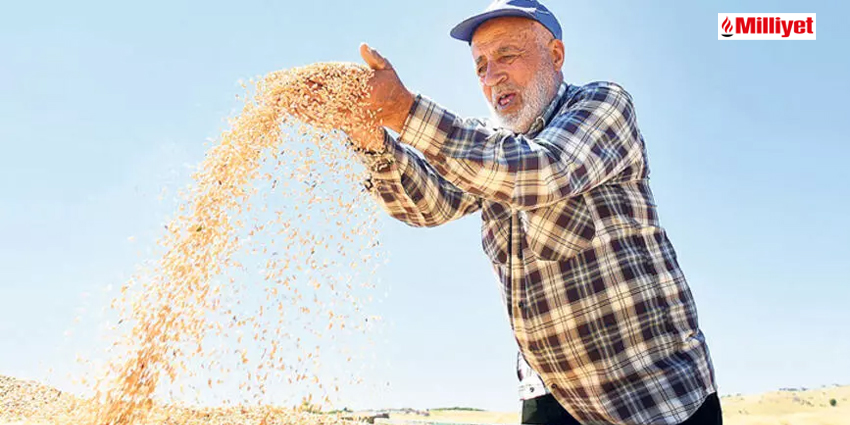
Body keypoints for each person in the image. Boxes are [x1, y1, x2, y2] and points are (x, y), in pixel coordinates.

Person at [292, 1, 722, 423]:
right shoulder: (483, 146)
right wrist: (367, 134)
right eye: (480, 66)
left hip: (655, 392)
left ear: (556, 55)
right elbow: (426, 205)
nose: (492, 75)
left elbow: (546, 170)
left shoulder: (603, 106)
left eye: (506, 55)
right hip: (553, 395)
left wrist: (404, 111)